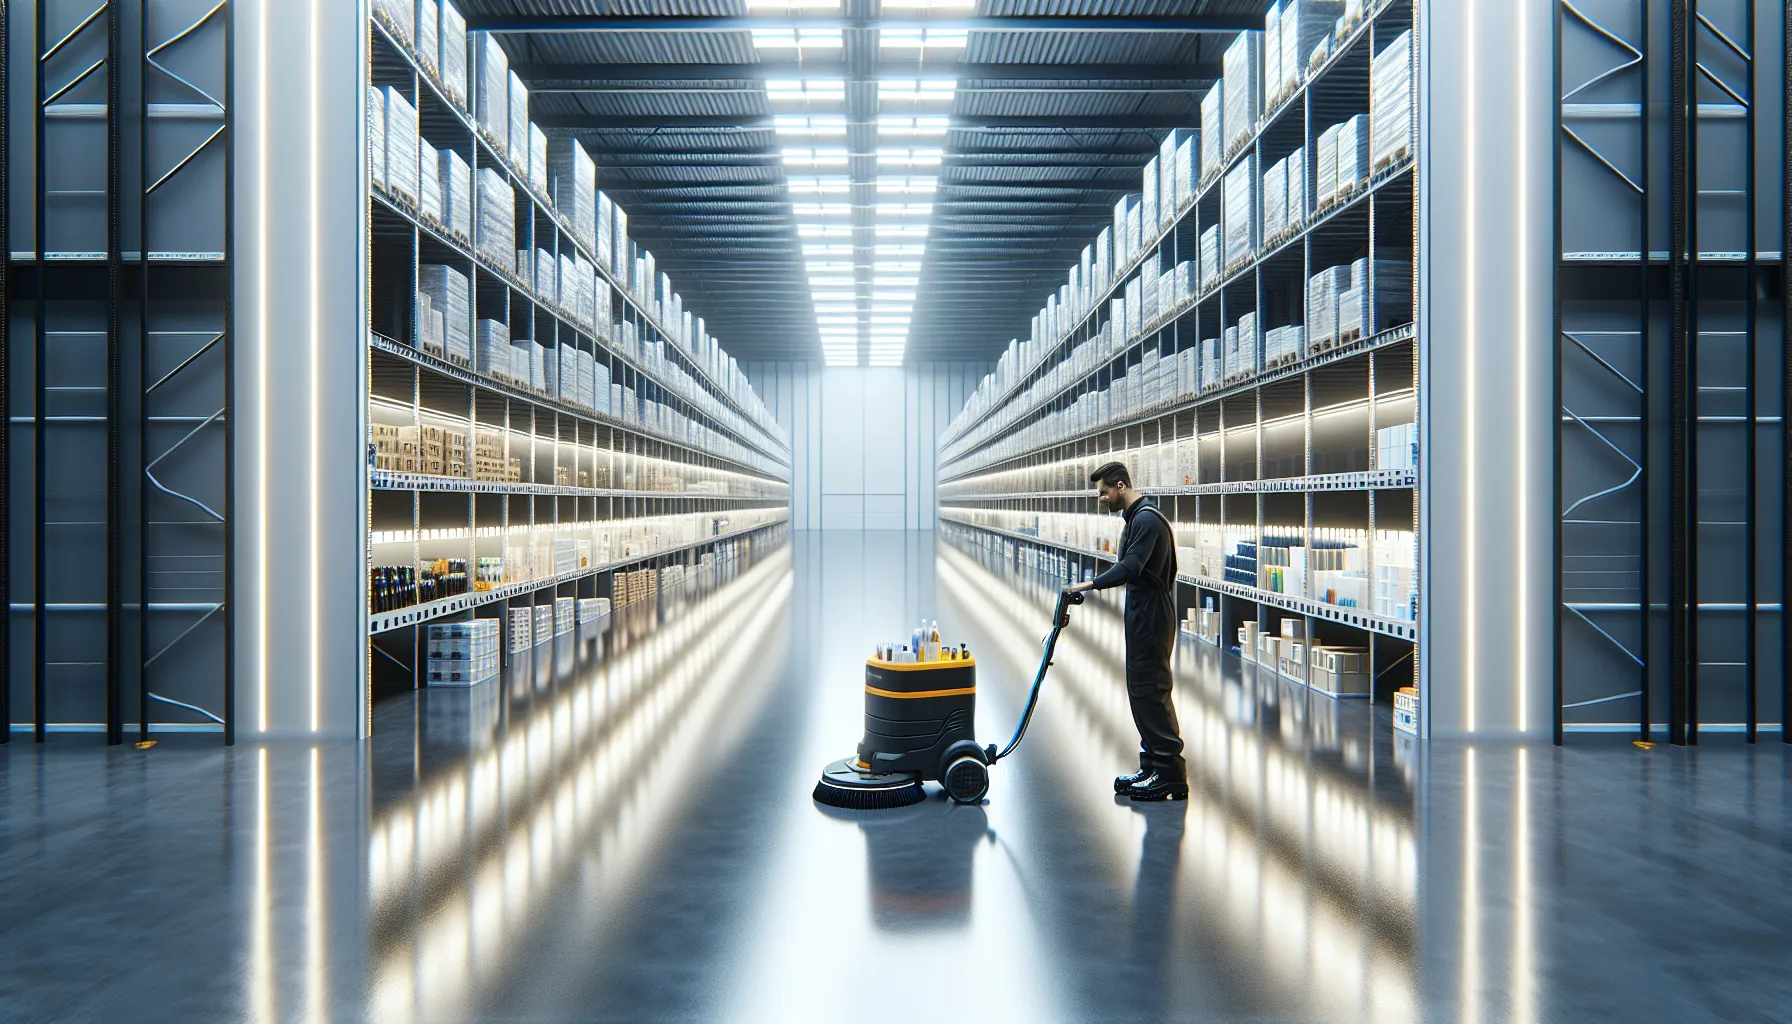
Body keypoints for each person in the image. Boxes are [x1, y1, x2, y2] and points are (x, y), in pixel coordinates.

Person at [1065, 460, 1188, 801]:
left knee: (1152, 691)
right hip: (1141, 612)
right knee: (1140, 690)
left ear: (1120, 486)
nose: (1100, 499)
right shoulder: (1135, 518)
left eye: (1103, 492)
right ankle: (1151, 765)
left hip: (1152, 615)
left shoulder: (1147, 519)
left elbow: (1131, 567)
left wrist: (1089, 584)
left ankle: (1170, 774)